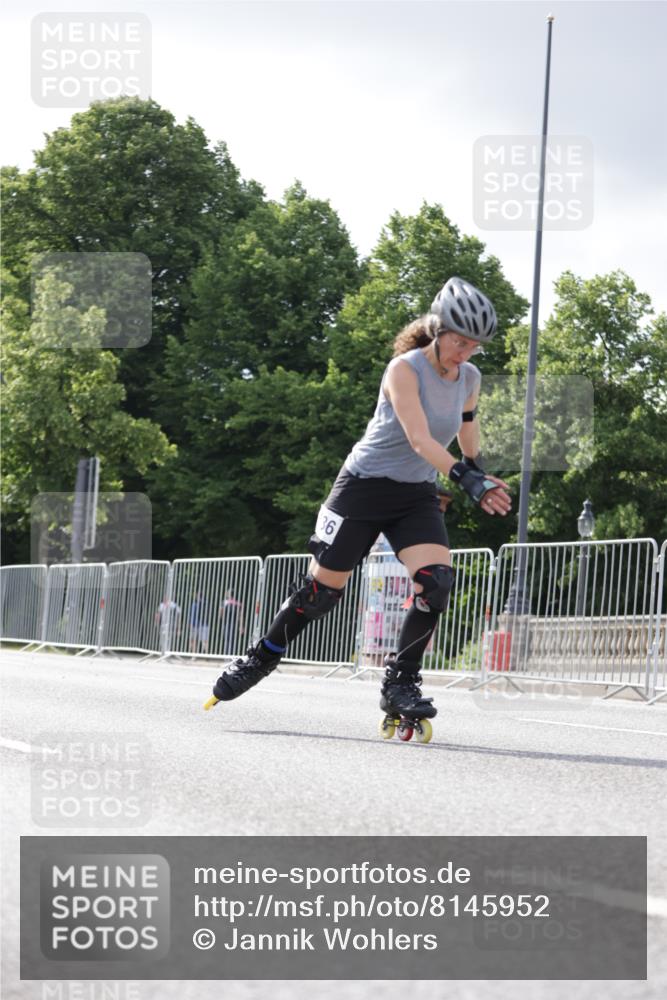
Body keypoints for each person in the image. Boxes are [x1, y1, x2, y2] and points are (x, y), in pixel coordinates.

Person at [206, 277, 511, 733]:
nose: (465, 352)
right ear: (438, 328)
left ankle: (400, 682)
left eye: (475, 345)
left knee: (437, 583)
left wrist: (476, 465)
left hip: (414, 495)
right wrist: (465, 479)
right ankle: (261, 656)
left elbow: (465, 426)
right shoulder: (404, 370)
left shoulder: (470, 377)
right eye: (460, 341)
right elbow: (419, 437)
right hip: (362, 488)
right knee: (322, 593)